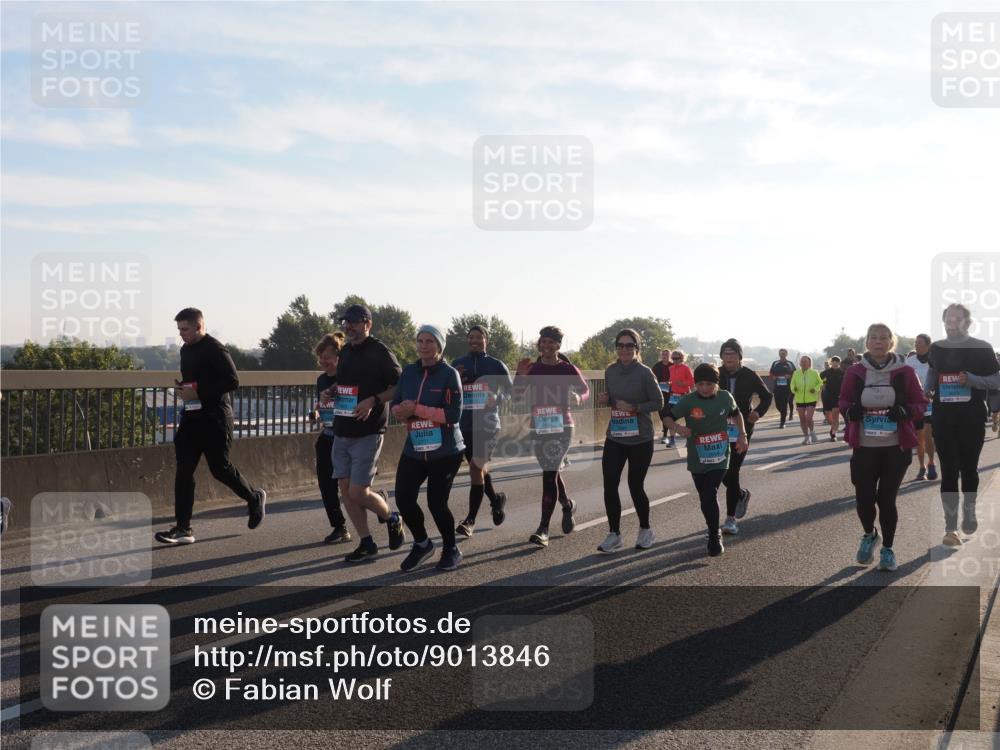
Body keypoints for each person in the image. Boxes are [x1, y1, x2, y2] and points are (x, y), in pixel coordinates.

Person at [155, 308, 266, 545]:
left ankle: (254, 497)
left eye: (185, 329)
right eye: (179, 330)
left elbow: (232, 380)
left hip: (215, 417)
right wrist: (184, 389)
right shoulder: (185, 350)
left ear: (199, 326)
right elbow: (195, 380)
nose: (181, 334)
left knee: (220, 468)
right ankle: (183, 528)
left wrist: (199, 391)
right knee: (184, 470)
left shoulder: (215, 348)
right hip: (192, 416)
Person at [840, 323, 927, 571]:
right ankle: (869, 534)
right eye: (873, 338)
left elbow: (920, 403)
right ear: (866, 342)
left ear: (892, 342)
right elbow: (844, 400)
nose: (878, 342)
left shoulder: (905, 371)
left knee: (887, 499)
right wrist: (849, 411)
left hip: (895, 447)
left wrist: (905, 411)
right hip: (864, 446)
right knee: (864, 499)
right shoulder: (855, 372)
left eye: (884, 338)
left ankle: (888, 550)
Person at [332, 304, 406, 562]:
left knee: (357, 492)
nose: (348, 327)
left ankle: (392, 517)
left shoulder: (381, 352)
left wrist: (373, 400)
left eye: (353, 322)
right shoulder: (346, 352)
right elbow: (345, 383)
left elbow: (399, 387)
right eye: (345, 323)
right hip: (342, 429)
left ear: (367, 324)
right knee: (345, 489)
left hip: (368, 430)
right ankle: (366, 542)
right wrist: (331, 391)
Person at [392, 326, 466, 572]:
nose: (424, 346)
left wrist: (417, 409)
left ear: (439, 346)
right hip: (415, 448)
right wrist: (400, 412)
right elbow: (396, 404)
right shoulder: (409, 372)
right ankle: (422, 543)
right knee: (403, 498)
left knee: (436, 503)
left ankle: (451, 548)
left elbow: (454, 414)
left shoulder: (449, 374)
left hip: (446, 452)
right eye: (420, 341)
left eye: (430, 341)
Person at [927, 303, 1000, 545]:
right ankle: (950, 528)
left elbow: (996, 379)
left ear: (967, 323)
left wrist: (973, 380)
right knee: (948, 471)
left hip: (972, 418)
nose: (952, 322)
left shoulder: (981, 347)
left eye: (958, 319)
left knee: (969, 469)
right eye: (948, 318)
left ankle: (969, 510)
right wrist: (927, 388)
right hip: (943, 418)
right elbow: (932, 371)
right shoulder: (936, 348)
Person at [514, 326, 590, 547]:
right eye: (542, 342)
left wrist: (578, 396)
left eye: (550, 342)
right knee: (551, 472)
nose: (545, 346)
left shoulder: (568, 369)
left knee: (549, 473)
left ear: (558, 345)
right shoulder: (533, 368)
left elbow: (585, 391)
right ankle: (567, 505)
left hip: (563, 427)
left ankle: (543, 528)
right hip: (539, 426)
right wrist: (520, 374)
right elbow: (517, 397)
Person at [663, 363, 748, 556]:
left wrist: (742, 435)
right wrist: (679, 429)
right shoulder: (688, 401)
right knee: (704, 496)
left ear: (716, 384)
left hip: (720, 455)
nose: (704, 388)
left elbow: (736, 414)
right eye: (700, 384)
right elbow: (667, 417)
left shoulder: (725, 397)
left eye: (709, 384)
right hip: (697, 457)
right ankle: (712, 528)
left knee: (710, 492)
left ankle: (713, 535)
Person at [596, 329, 664, 552]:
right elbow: (612, 401)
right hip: (616, 436)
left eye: (629, 346)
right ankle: (614, 534)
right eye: (620, 345)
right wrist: (606, 400)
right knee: (609, 484)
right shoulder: (611, 371)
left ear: (637, 349)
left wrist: (635, 408)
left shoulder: (645, 373)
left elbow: (658, 402)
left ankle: (645, 530)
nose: (624, 349)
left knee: (635, 485)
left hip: (640, 439)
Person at [451, 324, 514, 538]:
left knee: (476, 467)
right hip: (464, 425)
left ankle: (470, 520)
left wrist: (496, 398)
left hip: (487, 425)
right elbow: (447, 391)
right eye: (471, 337)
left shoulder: (496, 365)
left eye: (479, 337)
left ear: (486, 340)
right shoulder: (457, 364)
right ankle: (496, 500)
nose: (474, 341)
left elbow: (510, 393)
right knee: (478, 468)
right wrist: (455, 379)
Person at [717, 339, 772, 535]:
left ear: (739, 356)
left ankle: (730, 519)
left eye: (732, 353)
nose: (728, 357)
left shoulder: (749, 375)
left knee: (733, 471)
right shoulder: (716, 374)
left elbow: (767, 396)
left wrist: (757, 413)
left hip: (742, 429)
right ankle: (740, 494)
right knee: (721, 472)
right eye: (725, 353)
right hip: (719, 429)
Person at [312, 333, 351, 543]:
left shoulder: (348, 377)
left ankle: (377, 501)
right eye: (321, 357)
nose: (323, 361)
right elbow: (323, 404)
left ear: (339, 357)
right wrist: (316, 412)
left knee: (353, 489)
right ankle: (339, 527)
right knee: (326, 484)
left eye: (327, 356)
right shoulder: (321, 380)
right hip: (328, 435)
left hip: (348, 437)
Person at [905, 334, 938, 480]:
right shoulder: (909, 362)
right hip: (916, 404)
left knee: (928, 434)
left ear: (928, 345)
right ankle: (921, 466)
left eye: (919, 343)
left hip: (932, 403)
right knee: (919, 438)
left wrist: (933, 391)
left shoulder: (937, 360)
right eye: (915, 342)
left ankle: (931, 462)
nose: (916, 345)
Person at [664, 350, 695, 447]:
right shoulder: (671, 368)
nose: (674, 360)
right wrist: (668, 383)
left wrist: (682, 384)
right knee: (670, 418)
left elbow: (692, 381)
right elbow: (671, 380)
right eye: (673, 358)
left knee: (689, 418)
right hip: (674, 396)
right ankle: (672, 440)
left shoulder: (686, 368)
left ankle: (689, 440)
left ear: (682, 358)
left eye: (676, 358)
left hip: (684, 395)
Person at [790, 355, 823, 444]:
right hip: (800, 399)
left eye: (805, 361)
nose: (803, 362)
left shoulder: (814, 372)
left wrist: (815, 389)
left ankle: (812, 432)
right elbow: (792, 384)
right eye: (802, 361)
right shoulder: (796, 373)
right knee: (801, 418)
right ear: (800, 363)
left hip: (811, 398)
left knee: (808, 418)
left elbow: (820, 383)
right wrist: (794, 389)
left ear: (809, 363)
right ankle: (806, 437)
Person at [651, 349, 673, 445]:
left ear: (670, 356)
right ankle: (665, 432)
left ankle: (665, 435)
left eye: (667, 354)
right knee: (661, 413)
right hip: (660, 393)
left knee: (668, 412)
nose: (665, 356)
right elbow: (652, 378)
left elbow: (677, 378)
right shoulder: (657, 366)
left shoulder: (673, 366)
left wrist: (670, 382)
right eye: (663, 354)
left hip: (671, 393)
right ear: (661, 355)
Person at [820, 356, 845, 442]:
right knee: (828, 417)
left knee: (835, 417)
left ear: (839, 363)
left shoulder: (843, 373)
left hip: (837, 397)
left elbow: (846, 385)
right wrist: (822, 385)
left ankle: (833, 434)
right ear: (831, 362)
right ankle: (833, 427)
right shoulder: (825, 373)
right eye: (833, 361)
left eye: (837, 361)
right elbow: (819, 381)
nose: (835, 362)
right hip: (827, 396)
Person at [769, 349, 796, 428]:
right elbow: (770, 374)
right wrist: (773, 377)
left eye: (784, 353)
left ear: (786, 354)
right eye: (781, 353)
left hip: (787, 388)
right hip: (777, 388)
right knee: (778, 405)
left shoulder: (790, 364)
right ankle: (784, 413)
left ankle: (782, 422)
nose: (782, 355)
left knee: (784, 404)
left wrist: (790, 376)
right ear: (779, 354)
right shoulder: (775, 363)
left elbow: (795, 374)